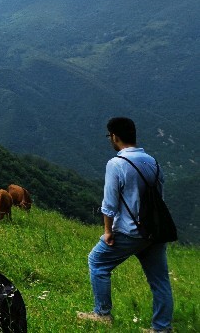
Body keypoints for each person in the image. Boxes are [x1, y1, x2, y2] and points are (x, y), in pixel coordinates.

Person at [77, 116, 174, 332]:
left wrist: (107, 232)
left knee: (97, 262)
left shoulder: (117, 164)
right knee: (160, 281)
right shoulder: (152, 161)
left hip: (130, 232)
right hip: (154, 232)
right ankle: (162, 328)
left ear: (115, 137)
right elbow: (159, 196)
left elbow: (109, 204)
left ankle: (102, 314)